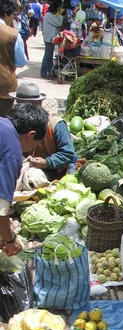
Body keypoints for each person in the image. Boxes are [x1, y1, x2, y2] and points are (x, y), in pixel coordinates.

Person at [0, 103, 48, 255]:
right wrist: (10, 239)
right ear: (30, 135)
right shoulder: (12, 151)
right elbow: (0, 209)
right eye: (35, 143)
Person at [10, 82, 76, 178]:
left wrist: (47, 162)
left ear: (39, 104)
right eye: (20, 104)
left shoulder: (55, 123)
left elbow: (68, 154)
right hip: (29, 167)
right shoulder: (16, 121)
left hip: (57, 171)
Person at [0, 0, 27, 117]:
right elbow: (21, 62)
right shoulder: (13, 34)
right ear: (6, 14)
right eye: (13, 15)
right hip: (4, 86)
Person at [41, 1, 63, 78]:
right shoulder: (49, 15)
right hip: (49, 39)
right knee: (47, 56)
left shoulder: (50, 15)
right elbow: (59, 23)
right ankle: (43, 72)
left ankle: (50, 71)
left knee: (50, 56)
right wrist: (61, 15)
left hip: (50, 38)